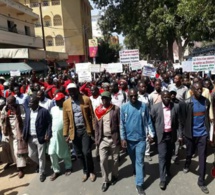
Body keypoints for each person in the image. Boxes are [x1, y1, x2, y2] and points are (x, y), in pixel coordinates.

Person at [120, 88, 155, 195]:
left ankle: (139, 184)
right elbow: (122, 124)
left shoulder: (143, 106)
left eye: (135, 95)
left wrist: (151, 133)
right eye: (131, 96)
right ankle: (136, 170)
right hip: (129, 140)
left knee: (139, 161)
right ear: (128, 96)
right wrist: (123, 138)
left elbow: (148, 121)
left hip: (141, 139)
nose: (134, 97)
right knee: (133, 159)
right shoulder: (124, 108)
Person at [180, 82, 210, 194]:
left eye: (200, 89)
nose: (199, 91)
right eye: (197, 89)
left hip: (202, 135)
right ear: (192, 90)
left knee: (202, 158)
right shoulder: (186, 103)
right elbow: (182, 120)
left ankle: (201, 182)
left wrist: (208, 133)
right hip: (190, 135)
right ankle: (187, 163)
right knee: (189, 153)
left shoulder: (206, 102)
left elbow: (206, 117)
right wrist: (182, 134)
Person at [63, 83, 96, 182]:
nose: (72, 92)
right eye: (70, 91)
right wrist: (66, 134)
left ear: (77, 90)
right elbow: (65, 120)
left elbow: (92, 116)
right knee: (79, 154)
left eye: (73, 90)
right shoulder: (66, 103)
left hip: (86, 130)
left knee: (87, 152)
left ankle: (91, 171)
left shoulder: (86, 99)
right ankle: (85, 171)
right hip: (74, 131)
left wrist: (93, 130)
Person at [151, 90, 182, 190]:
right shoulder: (155, 107)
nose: (166, 99)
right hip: (161, 136)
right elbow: (151, 121)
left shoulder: (175, 107)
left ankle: (167, 169)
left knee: (169, 155)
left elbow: (179, 122)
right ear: (161, 97)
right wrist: (151, 134)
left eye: (168, 97)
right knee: (162, 156)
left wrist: (180, 135)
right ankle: (163, 179)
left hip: (171, 135)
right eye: (164, 97)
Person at [94, 91, 120, 192]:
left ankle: (114, 175)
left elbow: (120, 124)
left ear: (110, 99)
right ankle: (105, 180)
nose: (104, 100)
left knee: (115, 159)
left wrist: (121, 139)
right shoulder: (98, 110)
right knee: (103, 160)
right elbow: (96, 127)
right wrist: (97, 140)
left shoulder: (116, 109)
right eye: (103, 98)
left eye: (106, 98)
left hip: (114, 138)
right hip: (103, 139)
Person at [23, 95, 52, 182]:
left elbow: (49, 123)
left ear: (36, 103)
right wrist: (24, 134)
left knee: (41, 156)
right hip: (30, 137)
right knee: (31, 155)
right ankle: (41, 164)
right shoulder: (28, 111)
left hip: (40, 137)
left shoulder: (44, 111)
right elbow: (26, 123)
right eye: (29, 103)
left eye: (31, 103)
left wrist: (48, 133)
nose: (29, 104)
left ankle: (42, 172)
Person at [0, 96, 27, 178]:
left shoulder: (20, 108)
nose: (9, 106)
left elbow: (23, 118)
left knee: (17, 151)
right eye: (8, 104)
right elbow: (2, 119)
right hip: (9, 132)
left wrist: (16, 113)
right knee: (9, 149)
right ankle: (13, 163)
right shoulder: (5, 108)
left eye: (11, 104)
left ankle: (20, 169)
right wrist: (4, 120)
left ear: (14, 102)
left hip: (18, 131)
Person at [48, 93, 72, 181]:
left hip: (63, 135)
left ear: (63, 100)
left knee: (65, 151)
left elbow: (70, 122)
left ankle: (68, 167)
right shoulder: (53, 109)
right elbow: (50, 121)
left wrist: (70, 134)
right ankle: (56, 170)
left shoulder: (67, 109)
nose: (57, 102)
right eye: (56, 101)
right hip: (53, 135)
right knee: (52, 152)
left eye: (58, 101)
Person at [138, 81, 152, 161]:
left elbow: (151, 106)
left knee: (146, 135)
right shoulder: (136, 96)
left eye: (144, 87)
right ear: (138, 87)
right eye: (141, 86)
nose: (143, 88)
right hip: (137, 118)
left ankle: (147, 153)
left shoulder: (148, 96)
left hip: (146, 118)